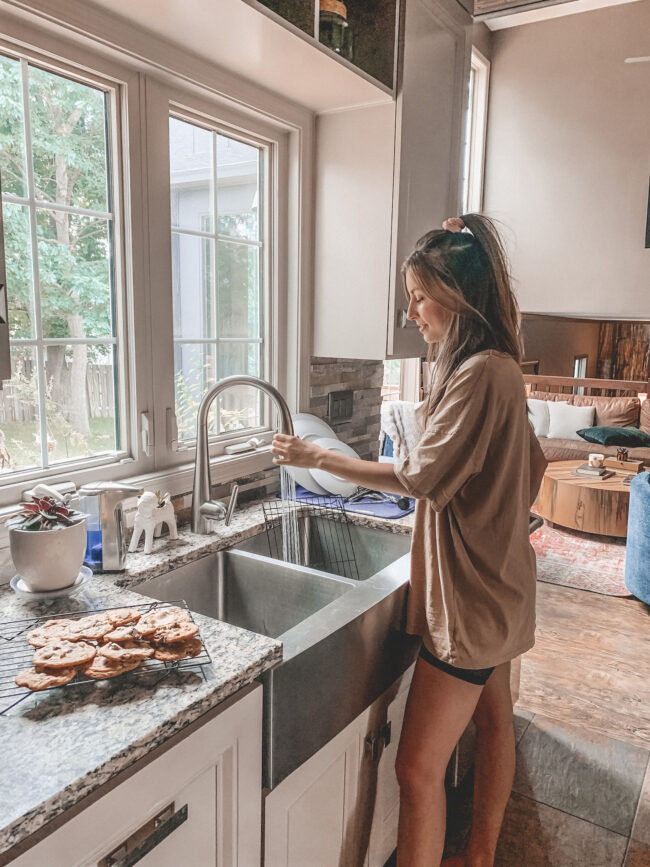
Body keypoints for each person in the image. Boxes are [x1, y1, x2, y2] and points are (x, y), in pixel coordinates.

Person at [271, 213, 548, 867]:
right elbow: (529, 466)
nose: (411, 311)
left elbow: (419, 477)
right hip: (502, 583)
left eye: (419, 296)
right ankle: (478, 856)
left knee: (417, 767)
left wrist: (320, 455)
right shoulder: (500, 367)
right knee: (493, 720)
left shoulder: (478, 373)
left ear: (452, 296)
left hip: (473, 605)